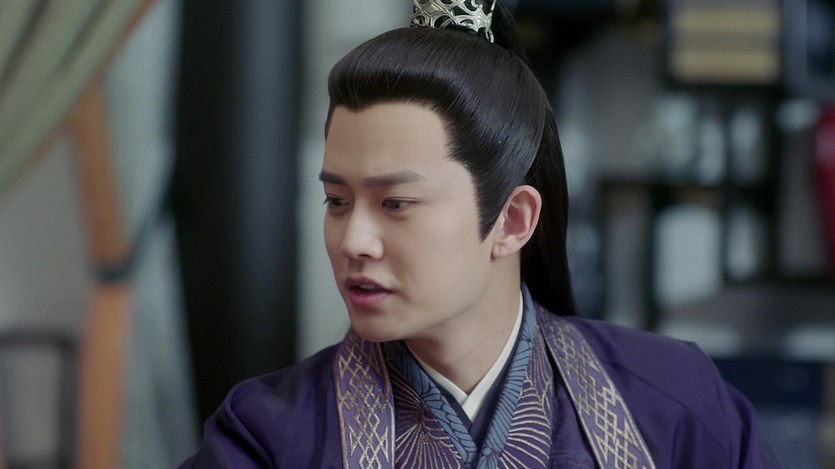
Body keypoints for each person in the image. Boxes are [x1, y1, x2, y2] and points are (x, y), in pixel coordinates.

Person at [180, 1, 780, 467]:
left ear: (513, 220)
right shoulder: (267, 435)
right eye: (337, 201)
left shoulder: (673, 401)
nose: (353, 241)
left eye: (396, 203)